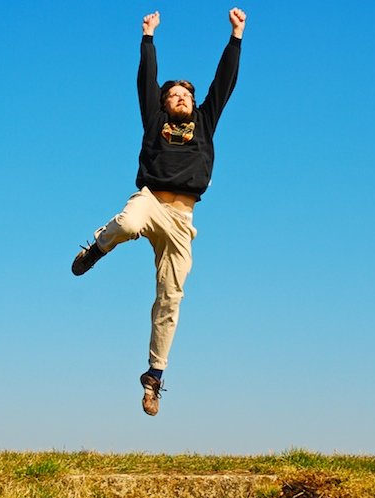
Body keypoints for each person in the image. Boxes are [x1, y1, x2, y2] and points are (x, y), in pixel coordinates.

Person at [72, 8, 247, 416]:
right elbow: (145, 82)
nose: (180, 98)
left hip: (183, 219)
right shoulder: (155, 121)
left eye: (186, 94)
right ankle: (96, 249)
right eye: (174, 95)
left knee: (171, 297)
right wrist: (148, 39)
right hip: (151, 201)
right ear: (165, 104)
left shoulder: (205, 121)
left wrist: (236, 37)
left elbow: (225, 82)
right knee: (129, 221)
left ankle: (154, 376)